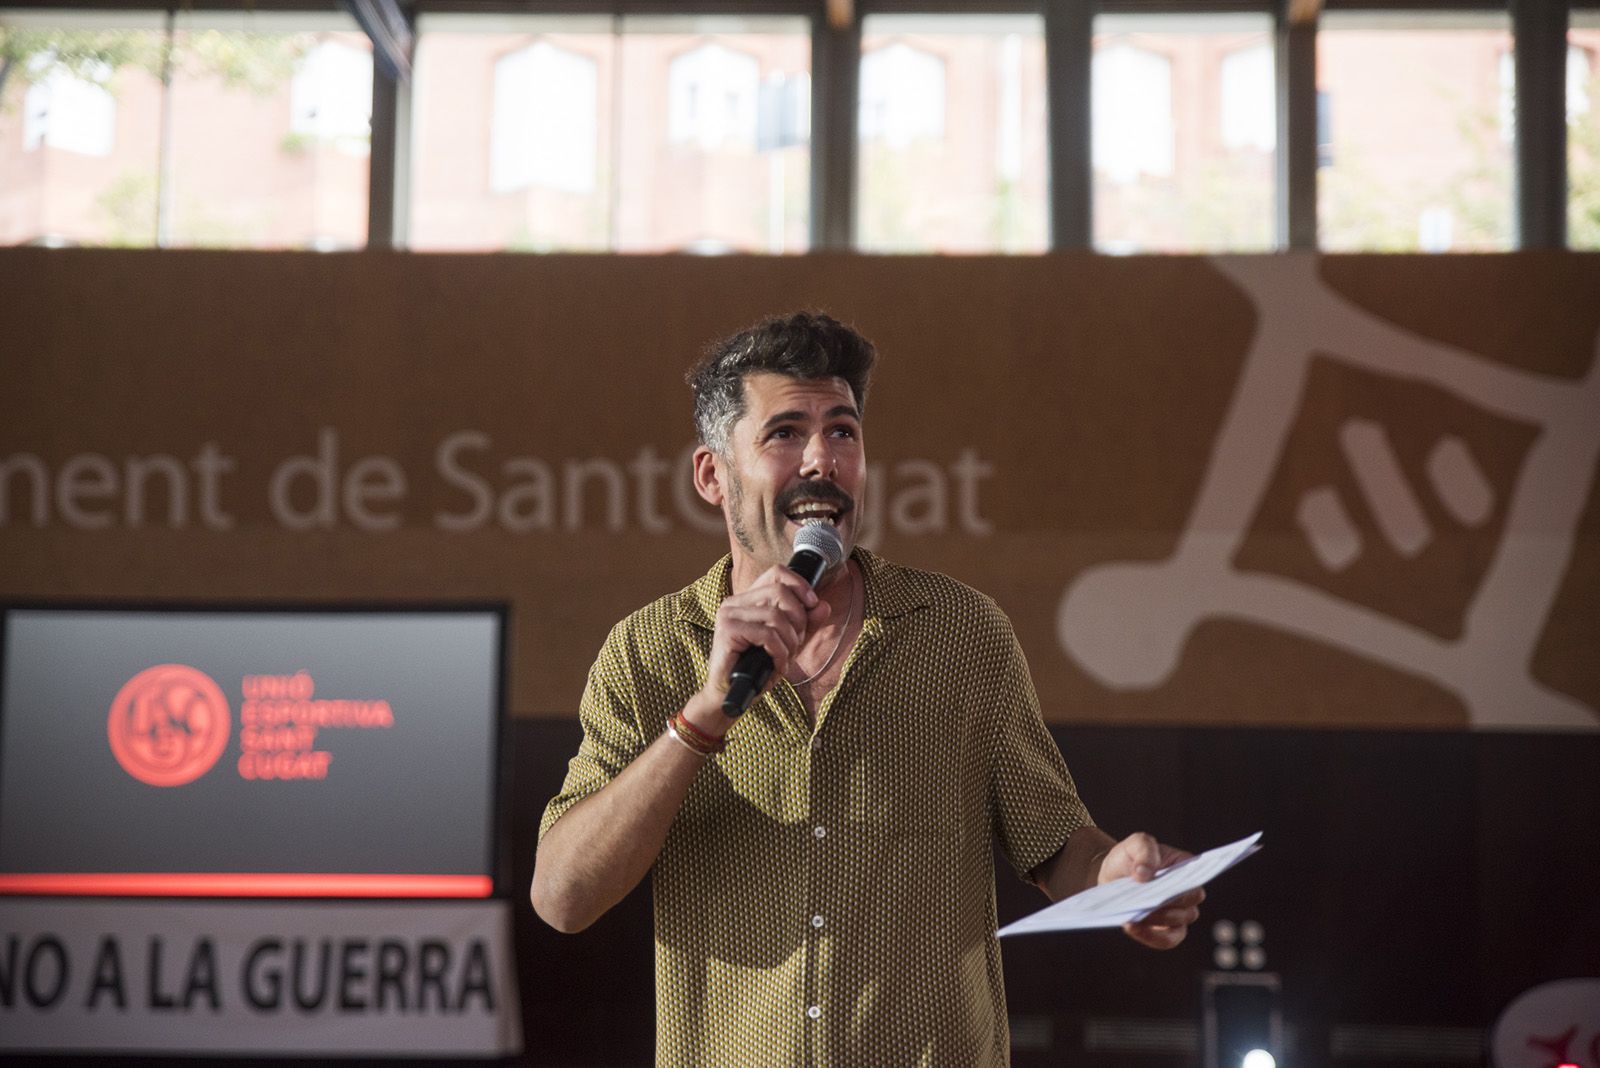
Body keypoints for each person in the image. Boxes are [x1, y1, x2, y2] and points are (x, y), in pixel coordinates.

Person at [531, 312, 1205, 1065]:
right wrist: (704, 714)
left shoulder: (960, 633)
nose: (823, 458)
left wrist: (1118, 876)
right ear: (712, 476)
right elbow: (563, 897)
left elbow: (1055, 845)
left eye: (842, 432)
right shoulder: (648, 650)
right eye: (785, 432)